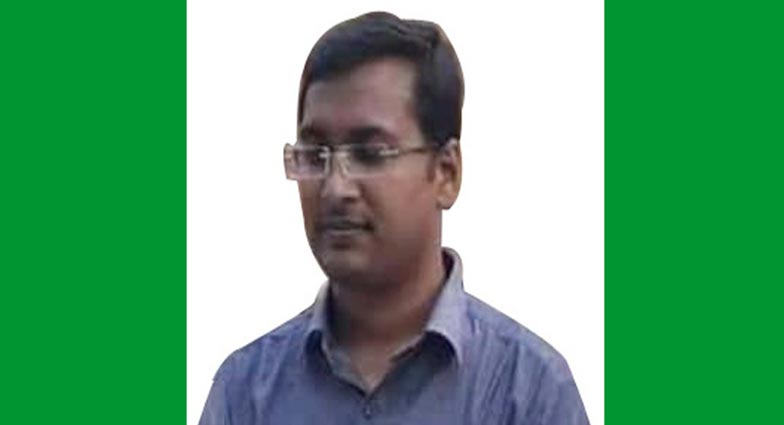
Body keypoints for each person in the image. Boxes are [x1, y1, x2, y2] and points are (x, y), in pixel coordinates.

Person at [199, 11, 589, 425]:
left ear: (446, 173)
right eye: (314, 156)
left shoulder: (526, 391)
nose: (336, 188)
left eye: (369, 154)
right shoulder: (246, 393)